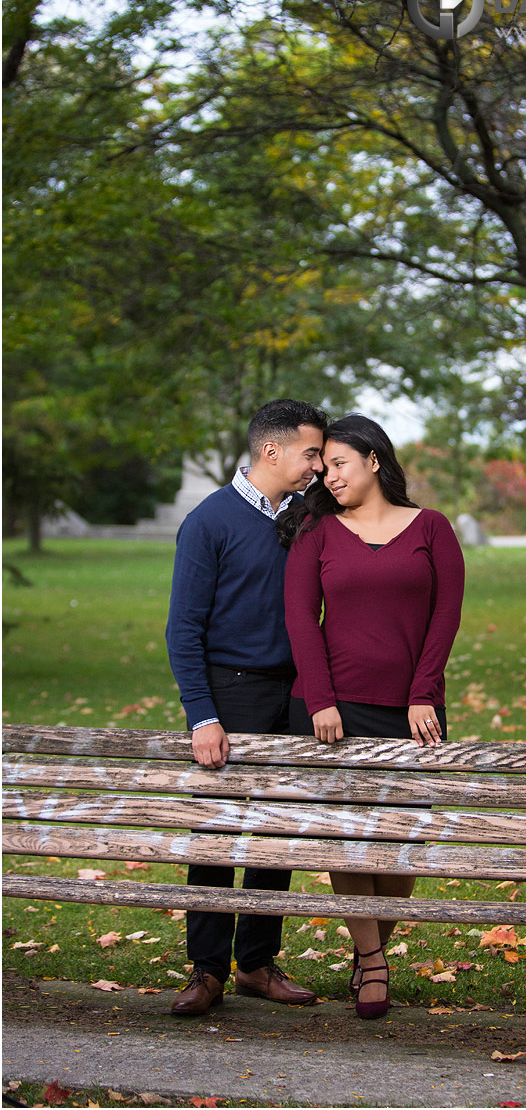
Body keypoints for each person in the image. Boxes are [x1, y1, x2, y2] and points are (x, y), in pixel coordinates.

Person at [279, 414, 465, 1019]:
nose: (328, 477)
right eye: (323, 467)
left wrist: (423, 692)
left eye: (339, 464)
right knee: (347, 839)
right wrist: (320, 699)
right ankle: (376, 962)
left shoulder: (432, 529)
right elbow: (302, 617)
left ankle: (369, 949)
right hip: (338, 707)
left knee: (401, 840)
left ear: (373, 460)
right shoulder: (319, 533)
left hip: (415, 711)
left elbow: (445, 617)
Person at [165, 397, 327, 1016]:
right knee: (216, 833)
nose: (317, 465)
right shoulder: (209, 522)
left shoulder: (310, 517)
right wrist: (202, 715)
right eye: (311, 452)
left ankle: (256, 963)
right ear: (272, 450)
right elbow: (185, 629)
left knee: (276, 832)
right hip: (229, 690)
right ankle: (206, 969)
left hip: (296, 689)